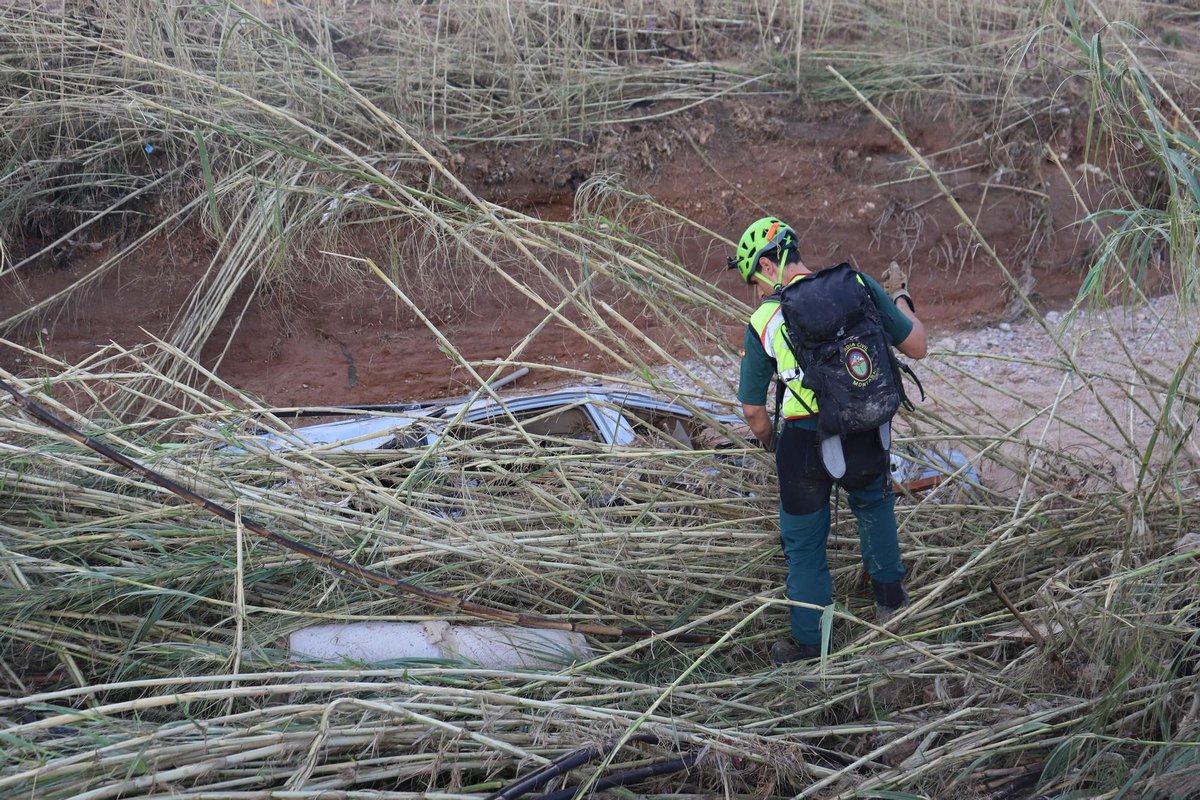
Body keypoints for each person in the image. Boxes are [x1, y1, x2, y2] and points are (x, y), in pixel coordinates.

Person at [729, 216, 928, 665]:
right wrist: (900, 297)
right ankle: (891, 606)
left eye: (753, 280)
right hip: (864, 428)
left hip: (802, 443)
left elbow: (753, 412)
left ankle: (810, 646)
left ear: (766, 264)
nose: (757, 291)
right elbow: (916, 346)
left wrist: (768, 444)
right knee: (875, 509)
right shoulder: (857, 284)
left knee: (803, 545)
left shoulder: (763, 318)